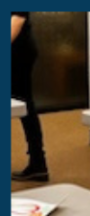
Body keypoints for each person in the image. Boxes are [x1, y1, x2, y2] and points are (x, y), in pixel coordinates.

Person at [11, 12, 49, 182]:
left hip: (17, 53)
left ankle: (38, 163)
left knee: (23, 106)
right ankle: (38, 163)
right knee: (25, 105)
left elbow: (17, 20)